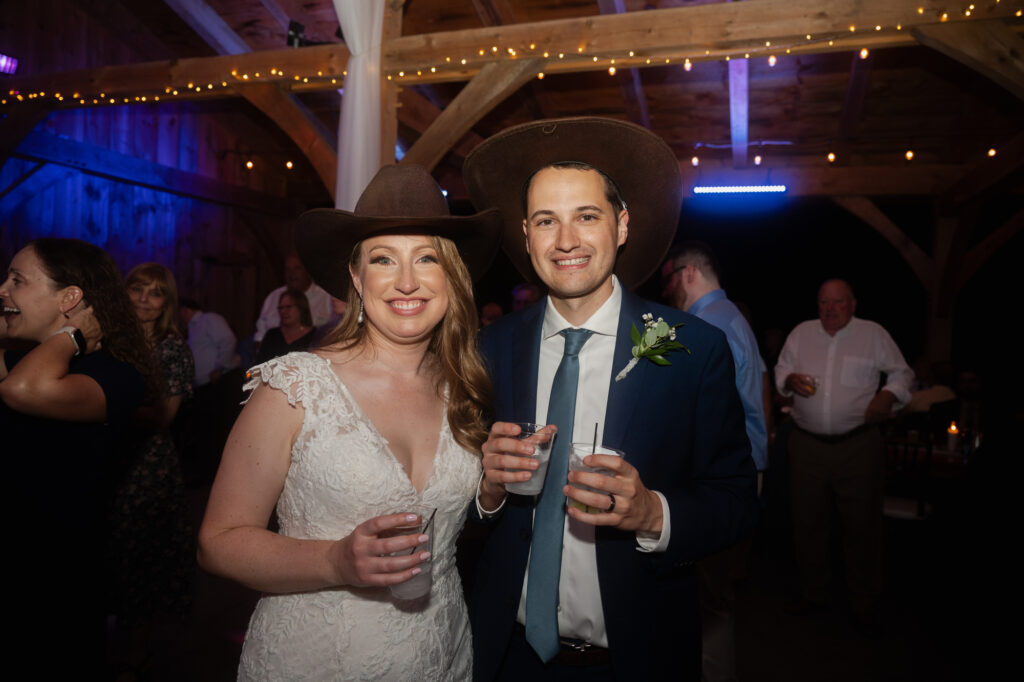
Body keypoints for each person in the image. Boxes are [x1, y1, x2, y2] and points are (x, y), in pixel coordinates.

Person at [463, 117, 758, 680]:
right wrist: (489, 490)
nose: (566, 241)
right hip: (507, 655)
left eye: (587, 217)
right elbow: (458, 509)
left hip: (635, 657)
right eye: (547, 221)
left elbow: (737, 500)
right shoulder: (490, 347)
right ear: (527, 236)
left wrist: (653, 514)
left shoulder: (695, 349)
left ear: (621, 226)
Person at [197, 164, 503, 680]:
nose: (407, 280)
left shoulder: (465, 388)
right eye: (384, 259)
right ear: (357, 280)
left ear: (453, 276)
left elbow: (450, 521)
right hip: (317, 657)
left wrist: (491, 491)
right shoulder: (296, 386)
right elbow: (218, 541)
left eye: (426, 257)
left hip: (440, 653)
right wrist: (335, 562)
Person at [0, 238, 155, 675]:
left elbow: (23, 392)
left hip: (52, 579)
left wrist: (70, 336)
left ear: (70, 298)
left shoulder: (116, 375)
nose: (3, 289)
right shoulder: (21, 358)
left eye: (17, 280)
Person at [775, 279, 913, 630]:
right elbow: (780, 370)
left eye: (838, 302)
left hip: (858, 446)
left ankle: (864, 604)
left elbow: (903, 374)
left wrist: (889, 396)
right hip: (806, 445)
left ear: (853, 304)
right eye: (823, 303)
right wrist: (789, 380)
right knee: (808, 524)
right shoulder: (801, 333)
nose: (830, 309)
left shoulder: (873, 334)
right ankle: (813, 594)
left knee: (862, 528)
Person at [662, 241, 768, 682]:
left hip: (718, 478)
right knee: (715, 592)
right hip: (745, 469)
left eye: (671, 279)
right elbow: (761, 387)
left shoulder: (706, 327)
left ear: (688, 274)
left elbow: (690, 415)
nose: (668, 290)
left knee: (708, 597)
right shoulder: (733, 318)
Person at [112, 262, 196, 678]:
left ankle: (136, 652)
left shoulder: (171, 348)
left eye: (155, 292)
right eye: (137, 289)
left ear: (167, 302)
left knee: (138, 559)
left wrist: (100, 404)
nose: (144, 299)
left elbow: (162, 417)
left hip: (146, 468)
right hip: (105, 460)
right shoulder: (111, 342)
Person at [253, 253, 333, 345]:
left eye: (297, 268)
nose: (292, 274)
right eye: (288, 269)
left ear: (308, 271)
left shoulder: (326, 297)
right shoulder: (273, 296)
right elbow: (259, 335)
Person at [254, 288, 316, 363]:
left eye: (288, 307)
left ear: (301, 308)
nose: (283, 311)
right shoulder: (272, 335)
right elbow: (259, 365)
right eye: (281, 308)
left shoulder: (315, 336)